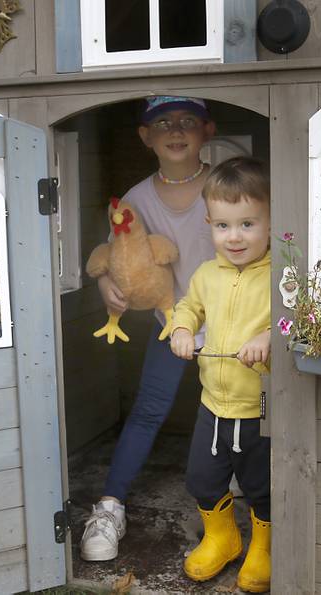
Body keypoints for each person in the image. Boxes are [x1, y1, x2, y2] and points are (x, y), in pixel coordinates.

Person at [80, 96, 217, 562]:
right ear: (145, 136)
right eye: (163, 122)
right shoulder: (136, 198)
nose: (175, 130)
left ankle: (237, 507)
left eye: (187, 121)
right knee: (148, 409)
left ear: (207, 131)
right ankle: (109, 505)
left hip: (231, 324)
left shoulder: (222, 183)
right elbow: (116, 251)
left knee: (240, 411)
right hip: (171, 323)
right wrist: (102, 282)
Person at [170, 156, 272, 593]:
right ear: (209, 223)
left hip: (261, 408)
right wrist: (181, 327)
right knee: (202, 479)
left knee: (263, 486)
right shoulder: (206, 274)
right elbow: (188, 306)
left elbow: (296, 322)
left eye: (248, 224)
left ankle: (264, 547)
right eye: (224, 225)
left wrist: (269, 336)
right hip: (213, 404)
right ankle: (222, 538)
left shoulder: (282, 276)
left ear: (270, 221)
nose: (234, 237)